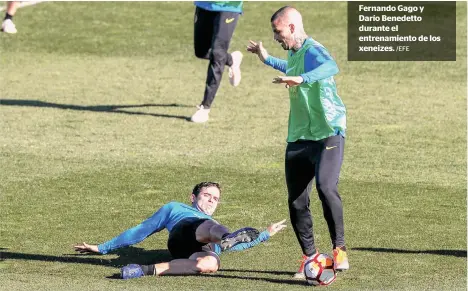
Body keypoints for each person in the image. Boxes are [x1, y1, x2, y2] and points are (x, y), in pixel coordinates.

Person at [246, 6, 349, 278]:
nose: (276, 37)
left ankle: (339, 248)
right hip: (299, 135)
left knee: (326, 187)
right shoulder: (294, 53)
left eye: (278, 32)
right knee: (296, 201)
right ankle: (310, 257)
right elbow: (291, 66)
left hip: (328, 131)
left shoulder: (314, 50)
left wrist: (301, 79)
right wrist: (267, 58)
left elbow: (331, 66)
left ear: (291, 27)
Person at [74, 181, 287, 279]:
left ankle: (142, 270)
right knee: (209, 226)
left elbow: (234, 248)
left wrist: (264, 234)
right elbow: (143, 229)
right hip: (183, 233)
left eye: (215, 198)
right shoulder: (177, 208)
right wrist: (103, 248)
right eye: (207, 195)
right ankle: (227, 236)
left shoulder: (214, 222)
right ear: (193, 197)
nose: (212, 200)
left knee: (210, 264)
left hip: (203, 247)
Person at [190, 1, 244, 123]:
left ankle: (205, 107)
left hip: (229, 6)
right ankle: (231, 59)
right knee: (201, 52)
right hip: (204, 4)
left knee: (217, 54)